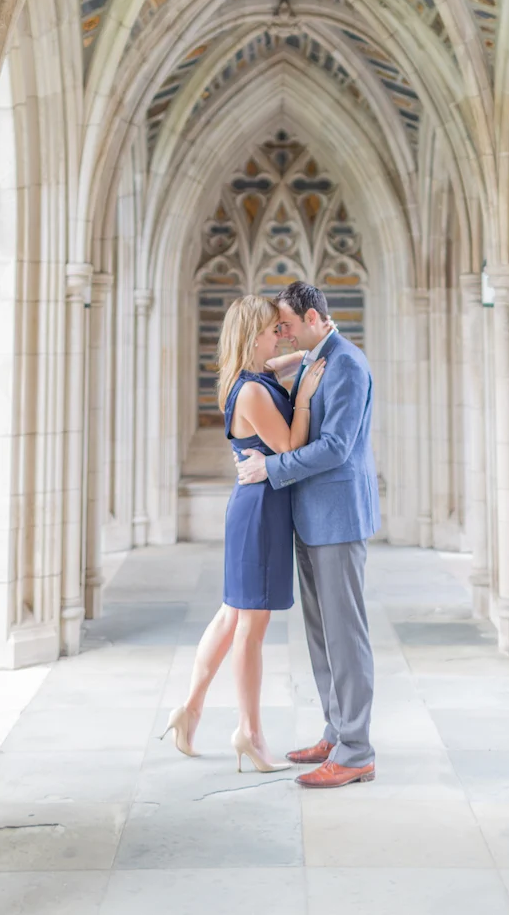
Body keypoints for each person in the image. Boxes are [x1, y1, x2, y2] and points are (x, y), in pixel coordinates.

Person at [162, 295, 325, 771]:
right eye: (275, 329)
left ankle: (189, 710)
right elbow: (290, 445)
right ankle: (250, 732)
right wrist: (308, 395)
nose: (283, 335)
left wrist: (315, 351)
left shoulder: (255, 377)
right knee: (251, 629)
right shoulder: (254, 391)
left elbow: (286, 360)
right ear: (255, 335)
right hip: (260, 513)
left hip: (256, 506)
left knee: (231, 616)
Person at [236, 281, 380, 789]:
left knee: (346, 635)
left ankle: (357, 751)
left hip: (338, 517)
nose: (284, 334)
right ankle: (337, 731)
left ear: (315, 318)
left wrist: (271, 468)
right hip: (311, 517)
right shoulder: (316, 359)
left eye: (289, 326)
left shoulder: (346, 364)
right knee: (321, 636)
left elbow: (337, 447)